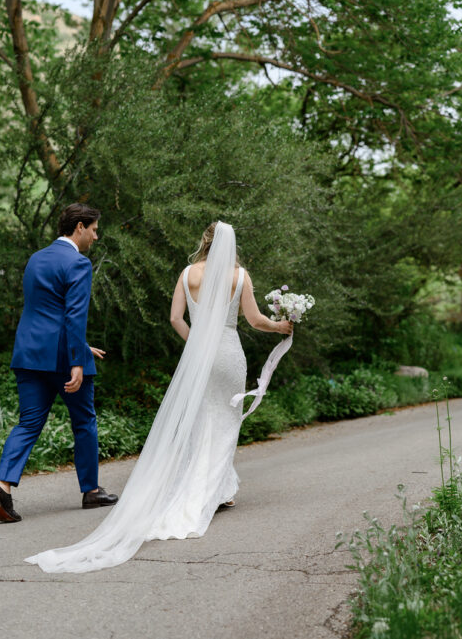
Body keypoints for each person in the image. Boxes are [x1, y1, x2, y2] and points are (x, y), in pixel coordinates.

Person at [26, 221, 291, 572]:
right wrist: (281, 326)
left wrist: (196, 344)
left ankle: (220, 487)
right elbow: (255, 319)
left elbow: (175, 318)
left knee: (200, 420)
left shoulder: (186, 274)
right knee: (226, 421)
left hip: (199, 354)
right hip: (228, 354)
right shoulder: (239, 276)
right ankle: (214, 493)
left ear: (205, 240)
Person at [0, 203, 118, 523]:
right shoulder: (78, 263)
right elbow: (73, 315)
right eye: (95, 230)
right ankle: (91, 490)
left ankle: (1, 485)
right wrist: (76, 360)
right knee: (84, 421)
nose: (96, 237)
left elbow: (45, 310)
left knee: (28, 423)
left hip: (29, 354)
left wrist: (82, 346)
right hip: (63, 359)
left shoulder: (36, 258)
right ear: (80, 227)